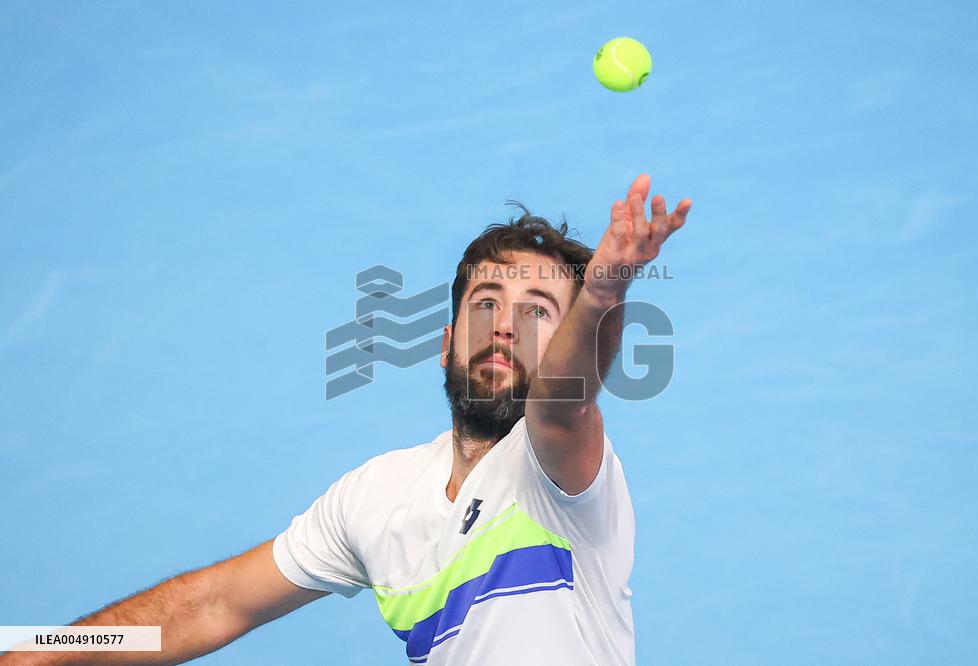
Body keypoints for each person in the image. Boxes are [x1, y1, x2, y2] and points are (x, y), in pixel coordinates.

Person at [0, 173, 690, 665]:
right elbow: (213, 605)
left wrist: (602, 294)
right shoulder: (376, 498)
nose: (505, 325)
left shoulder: (561, 474)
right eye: (485, 302)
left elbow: (565, 401)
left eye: (539, 311)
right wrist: (40, 653)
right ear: (446, 339)